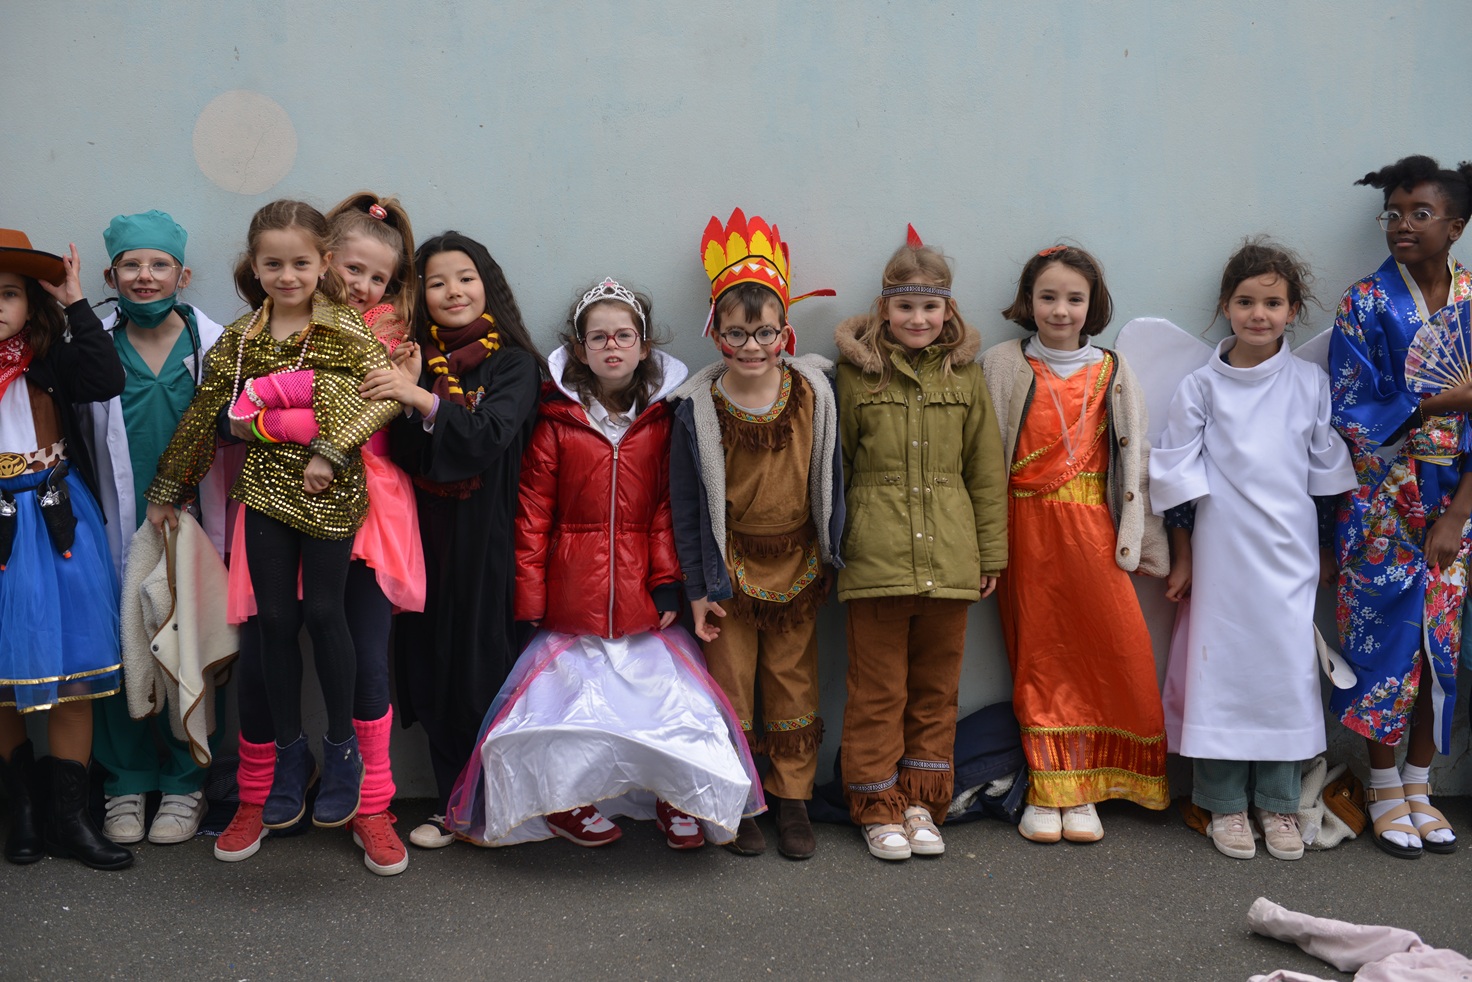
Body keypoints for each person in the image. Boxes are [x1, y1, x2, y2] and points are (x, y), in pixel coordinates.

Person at [446, 277, 760, 849]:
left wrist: (666, 586)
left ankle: (675, 797)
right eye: (598, 337)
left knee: (670, 709)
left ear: (644, 346)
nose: (612, 346)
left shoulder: (663, 421)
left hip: (642, 603)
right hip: (572, 601)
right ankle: (566, 803)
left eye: (623, 336)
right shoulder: (556, 422)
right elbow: (533, 516)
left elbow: (665, 512)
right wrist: (531, 597)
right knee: (565, 715)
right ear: (580, 348)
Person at [145, 200, 400, 840]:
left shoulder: (344, 327)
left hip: (331, 492)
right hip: (263, 493)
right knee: (276, 622)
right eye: (273, 264)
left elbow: (383, 400)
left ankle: (342, 751)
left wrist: (330, 448)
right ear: (254, 267)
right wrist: (169, 486)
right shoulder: (239, 340)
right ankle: (291, 754)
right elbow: (207, 413)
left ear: (323, 264)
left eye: (301, 264)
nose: (288, 276)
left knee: (326, 614)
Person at [217, 193, 425, 875]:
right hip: (276, 496)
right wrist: (270, 422)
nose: (362, 285)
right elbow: (234, 409)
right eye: (352, 269)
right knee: (262, 644)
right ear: (326, 259)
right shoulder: (275, 327)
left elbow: (367, 408)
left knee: (363, 651)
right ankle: (261, 789)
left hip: (367, 508)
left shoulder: (391, 340)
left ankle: (371, 802)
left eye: (378, 277)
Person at [1150, 239, 1356, 860]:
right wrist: (1184, 556)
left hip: (1289, 554)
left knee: (1284, 674)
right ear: (1226, 306)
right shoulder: (1200, 388)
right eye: (1245, 301)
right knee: (1219, 669)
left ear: (1293, 310)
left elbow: (1325, 477)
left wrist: (1326, 550)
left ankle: (1278, 801)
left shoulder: (1310, 383)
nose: (1258, 314)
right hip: (1221, 554)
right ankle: (1222, 802)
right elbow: (1178, 478)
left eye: (1272, 303)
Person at [981, 244, 1170, 845]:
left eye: (1074, 298)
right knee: (1041, 656)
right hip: (1024, 530)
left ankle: (1089, 786)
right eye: (1048, 297)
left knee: (1114, 648)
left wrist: (1144, 541)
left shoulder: (1113, 369)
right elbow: (979, 457)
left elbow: (1136, 462)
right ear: (1028, 301)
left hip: (1094, 528)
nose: (1060, 310)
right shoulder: (1001, 363)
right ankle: (1050, 786)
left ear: (1094, 305)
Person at [360, 231, 543, 849]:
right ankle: (452, 805)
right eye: (436, 282)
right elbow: (406, 455)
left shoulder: (513, 364)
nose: (452, 291)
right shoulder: (412, 357)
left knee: (484, 668)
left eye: (465, 277)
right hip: (423, 538)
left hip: (489, 538)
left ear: (488, 284)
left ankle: (497, 805)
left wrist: (418, 397)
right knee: (431, 666)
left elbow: (486, 436)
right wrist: (412, 392)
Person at [669, 207, 840, 860]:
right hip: (729, 570)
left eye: (764, 332)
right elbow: (687, 508)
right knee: (731, 686)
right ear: (715, 333)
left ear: (785, 332)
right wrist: (696, 588)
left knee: (794, 682)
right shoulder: (696, 409)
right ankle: (740, 801)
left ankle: (793, 800)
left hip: (799, 563)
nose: (750, 346)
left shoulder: (814, 395)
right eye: (736, 333)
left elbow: (834, 480)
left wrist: (835, 552)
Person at [832, 227, 1007, 861]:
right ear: (884, 308)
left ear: (947, 310)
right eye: (905, 306)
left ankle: (922, 803)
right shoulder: (854, 377)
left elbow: (984, 472)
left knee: (936, 690)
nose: (917, 319)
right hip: (874, 561)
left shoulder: (966, 378)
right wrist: (834, 551)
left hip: (950, 560)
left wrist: (990, 554)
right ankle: (876, 806)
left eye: (930, 306)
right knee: (877, 692)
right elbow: (836, 472)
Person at [1329, 154, 1472, 859]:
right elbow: (1351, 410)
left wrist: (1457, 516)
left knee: (1439, 644)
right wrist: (1445, 400)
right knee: (1381, 641)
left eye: (1420, 213)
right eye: (1393, 213)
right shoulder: (1364, 303)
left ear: (1457, 225)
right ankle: (1382, 783)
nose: (1402, 225)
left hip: (1457, 502)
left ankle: (1420, 782)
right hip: (1382, 501)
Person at [84, 210, 232, 848]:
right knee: (123, 644)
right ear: (111, 275)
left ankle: (185, 782)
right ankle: (124, 782)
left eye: (159, 264)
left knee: (188, 644)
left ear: (183, 275)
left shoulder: (216, 343)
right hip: (115, 522)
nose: (145, 276)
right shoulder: (92, 342)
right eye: (131, 265)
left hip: (195, 523)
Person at [0, 230, 131, 869]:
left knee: (75, 669)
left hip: (57, 519)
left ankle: (70, 820)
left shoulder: (49, 358)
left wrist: (77, 302)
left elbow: (106, 378)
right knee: (3, 671)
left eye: (7, 294)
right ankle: (20, 813)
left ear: (32, 302)